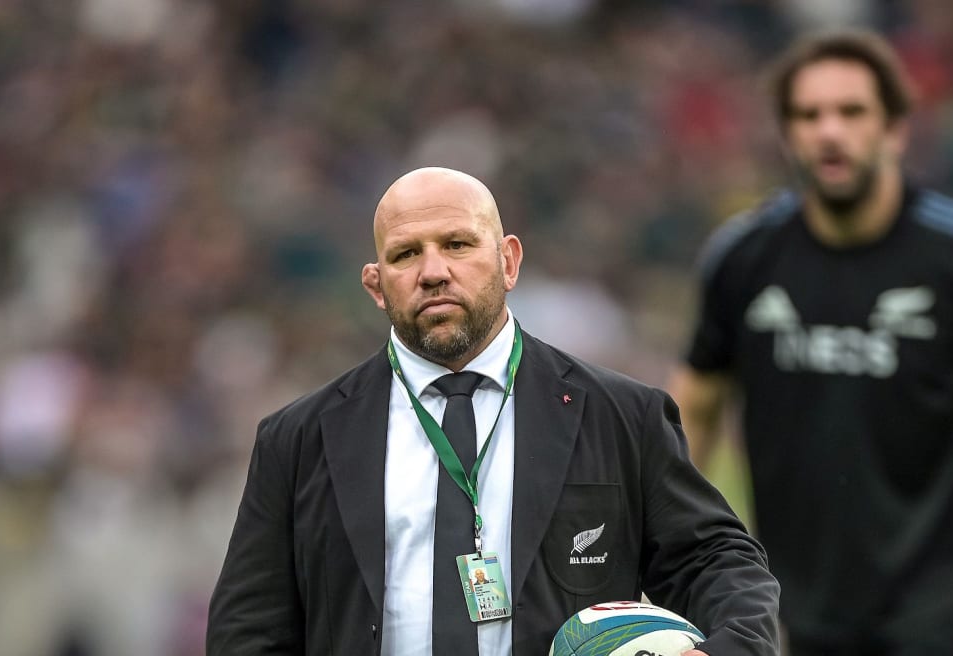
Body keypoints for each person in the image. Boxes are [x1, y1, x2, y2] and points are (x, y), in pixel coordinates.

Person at [206, 166, 780, 655]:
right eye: (407, 254)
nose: (433, 271)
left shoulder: (622, 416)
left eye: (457, 244)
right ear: (377, 286)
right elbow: (249, 630)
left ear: (508, 260)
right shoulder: (298, 440)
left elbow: (713, 560)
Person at [670, 29, 953, 656]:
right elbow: (695, 412)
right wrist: (672, 560)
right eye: (809, 115)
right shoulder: (743, 258)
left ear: (895, 130)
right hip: (796, 606)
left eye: (851, 112)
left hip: (952, 600)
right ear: (788, 133)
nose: (829, 131)